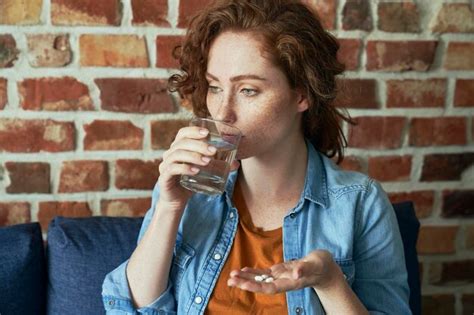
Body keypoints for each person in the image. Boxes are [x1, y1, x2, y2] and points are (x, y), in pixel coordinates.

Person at [102, 0, 410, 314]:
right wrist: (169, 205)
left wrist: (330, 281)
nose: (223, 112)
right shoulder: (189, 189)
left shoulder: (360, 203)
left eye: (248, 90)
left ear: (301, 93)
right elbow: (131, 309)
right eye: (214, 86)